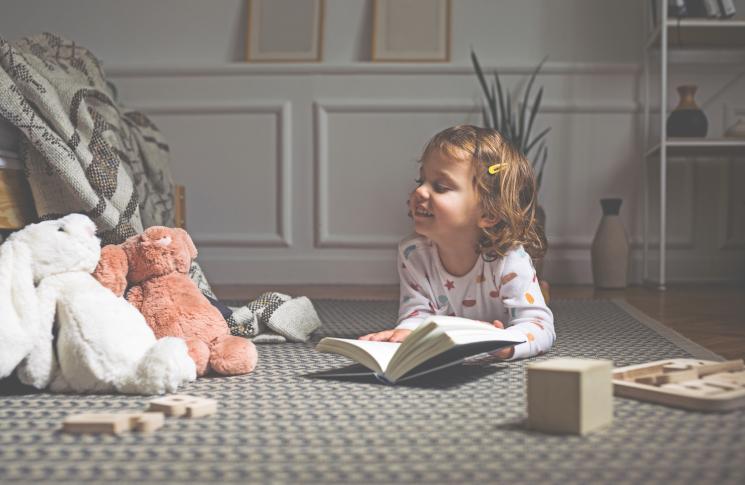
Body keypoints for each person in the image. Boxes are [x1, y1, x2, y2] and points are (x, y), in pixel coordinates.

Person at [359, 125, 554, 360]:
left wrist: (507, 344)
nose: (420, 191)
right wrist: (406, 333)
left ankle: (539, 291)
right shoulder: (413, 253)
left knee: (534, 303)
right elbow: (417, 311)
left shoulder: (510, 259)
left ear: (488, 214)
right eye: (421, 180)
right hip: (453, 330)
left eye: (440, 187)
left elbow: (540, 327)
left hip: (501, 317)